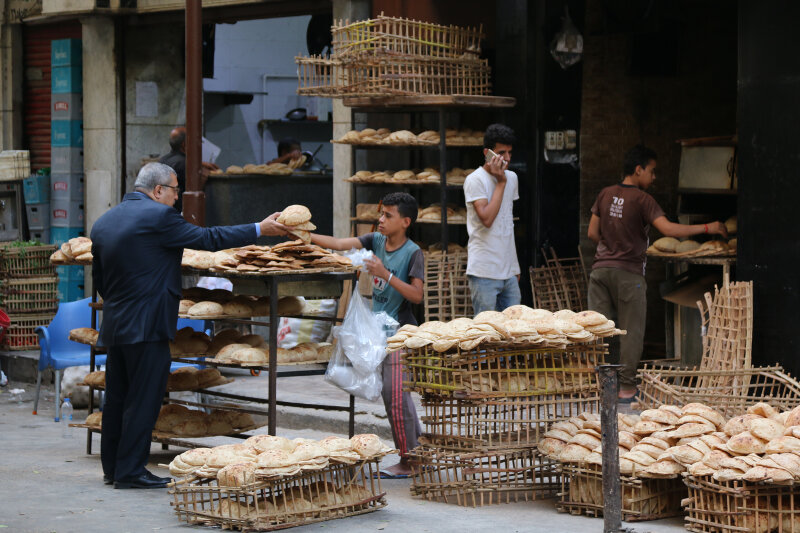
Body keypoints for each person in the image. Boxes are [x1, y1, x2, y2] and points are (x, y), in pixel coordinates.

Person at [91, 162, 288, 489]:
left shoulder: (104, 221)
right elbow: (208, 238)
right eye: (174, 190)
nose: (177, 198)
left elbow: (100, 282)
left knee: (117, 398)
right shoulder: (159, 217)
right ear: (157, 191)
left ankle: (113, 467)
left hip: (116, 324)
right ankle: (130, 472)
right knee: (144, 400)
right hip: (149, 325)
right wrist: (259, 228)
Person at [587, 144, 728, 402]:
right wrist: (709, 227)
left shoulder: (605, 194)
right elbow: (670, 230)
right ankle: (627, 388)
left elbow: (592, 233)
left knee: (602, 331)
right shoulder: (643, 199)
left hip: (600, 272)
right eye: (652, 171)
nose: (654, 177)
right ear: (638, 169)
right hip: (628, 274)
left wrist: (610, 248)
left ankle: (604, 386)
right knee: (631, 331)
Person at [303, 192, 423, 477]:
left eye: (388, 216)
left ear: (405, 222)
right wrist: (304, 236)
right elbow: (339, 244)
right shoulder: (374, 241)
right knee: (396, 395)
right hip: (376, 331)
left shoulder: (413, 252)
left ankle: (408, 461)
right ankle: (418, 453)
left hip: (401, 334)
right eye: (380, 214)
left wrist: (386, 273)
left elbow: (417, 296)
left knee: (394, 394)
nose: (381, 220)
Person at [463, 124, 521, 314]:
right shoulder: (475, 180)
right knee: (487, 332)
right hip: (484, 271)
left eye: (509, 153)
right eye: (501, 152)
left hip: (508, 271)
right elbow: (487, 218)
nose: (507, 158)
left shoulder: (512, 177)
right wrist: (501, 182)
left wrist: (514, 266)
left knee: (514, 332)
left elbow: (506, 223)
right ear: (487, 153)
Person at [158, 126, 219, 212]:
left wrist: (198, 164)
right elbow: (194, 190)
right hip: (178, 212)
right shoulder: (185, 164)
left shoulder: (163, 159)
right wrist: (203, 178)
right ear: (184, 144)